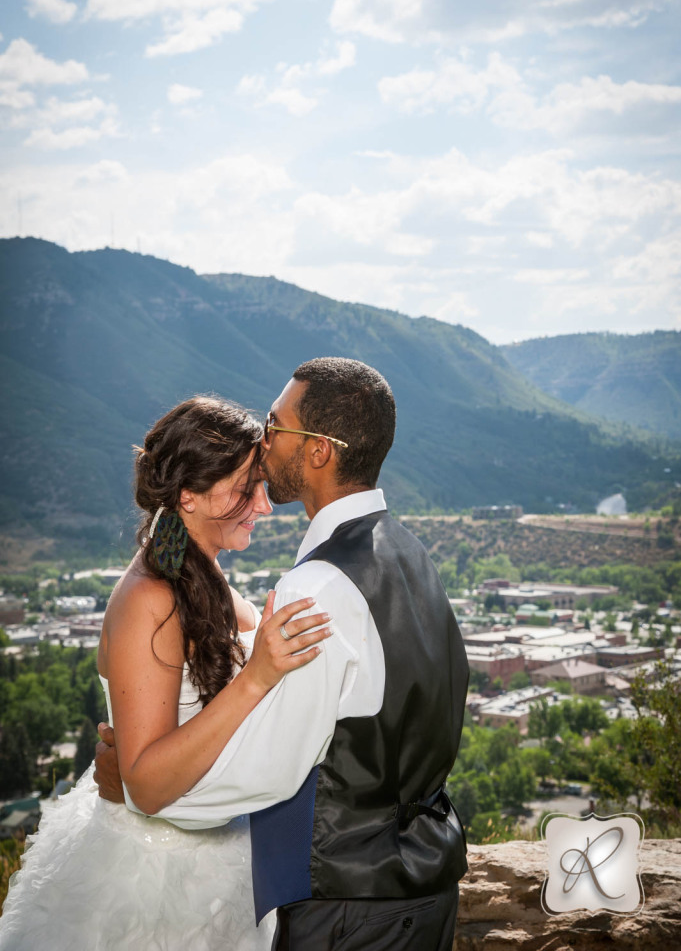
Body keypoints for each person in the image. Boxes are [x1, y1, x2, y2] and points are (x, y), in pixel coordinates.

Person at [97, 357, 470, 951]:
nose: (266, 444)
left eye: (275, 426)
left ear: (319, 450)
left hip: (351, 903)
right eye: (244, 488)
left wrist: (142, 793)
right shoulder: (408, 554)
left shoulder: (318, 588)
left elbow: (268, 767)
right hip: (420, 880)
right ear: (188, 495)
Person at [0, 396, 332, 951]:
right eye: (244, 489)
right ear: (188, 495)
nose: (264, 505)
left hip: (223, 865)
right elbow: (148, 784)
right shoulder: (149, 600)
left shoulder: (201, 579)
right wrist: (257, 676)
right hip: (151, 884)